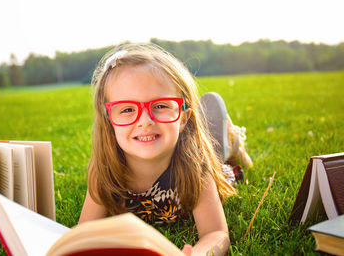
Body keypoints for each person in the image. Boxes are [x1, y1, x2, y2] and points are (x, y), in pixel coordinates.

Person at [78, 43, 251, 255]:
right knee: (216, 149)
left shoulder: (195, 167)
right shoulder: (104, 171)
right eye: (127, 109)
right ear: (109, 121)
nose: (145, 121)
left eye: (160, 106)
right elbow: (82, 234)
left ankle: (233, 143)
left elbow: (216, 233)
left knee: (221, 160)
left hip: (200, 158)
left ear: (183, 117)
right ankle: (222, 137)